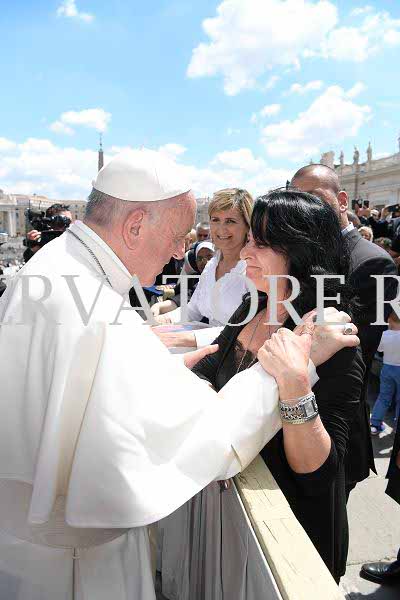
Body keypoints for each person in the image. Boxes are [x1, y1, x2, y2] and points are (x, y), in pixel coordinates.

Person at [0, 150, 358, 600]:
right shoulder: (89, 300)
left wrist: (157, 365)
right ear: (135, 225)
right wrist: (292, 369)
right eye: (176, 236)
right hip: (71, 562)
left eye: (258, 241)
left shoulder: (60, 268)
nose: (178, 252)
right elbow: (198, 432)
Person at [193, 189, 364, 582]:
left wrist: (295, 384)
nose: (246, 252)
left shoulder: (332, 339)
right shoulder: (253, 303)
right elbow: (208, 366)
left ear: (300, 252)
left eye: (261, 243)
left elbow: (316, 473)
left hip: (289, 538)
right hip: (234, 519)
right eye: (250, 239)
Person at [291, 164, 399, 499]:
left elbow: (353, 350)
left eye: (314, 197)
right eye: (298, 200)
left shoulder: (372, 262)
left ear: (341, 200)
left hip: (333, 425)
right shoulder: (302, 254)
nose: (306, 208)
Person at [153, 188, 254, 348]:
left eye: (230, 221)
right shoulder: (211, 265)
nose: (221, 229)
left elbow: (247, 329)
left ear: (247, 227)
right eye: (215, 220)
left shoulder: (253, 269)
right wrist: (165, 320)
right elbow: (193, 309)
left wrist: (188, 339)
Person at [151, 241, 214, 316]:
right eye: (200, 258)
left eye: (209, 257)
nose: (204, 261)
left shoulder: (224, 280)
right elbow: (182, 297)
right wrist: (158, 306)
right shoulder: (193, 279)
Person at [370, 310, 400, 434]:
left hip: (387, 368)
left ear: (389, 321)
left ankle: (375, 424)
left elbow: (380, 349)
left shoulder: (385, 334)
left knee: (383, 397)